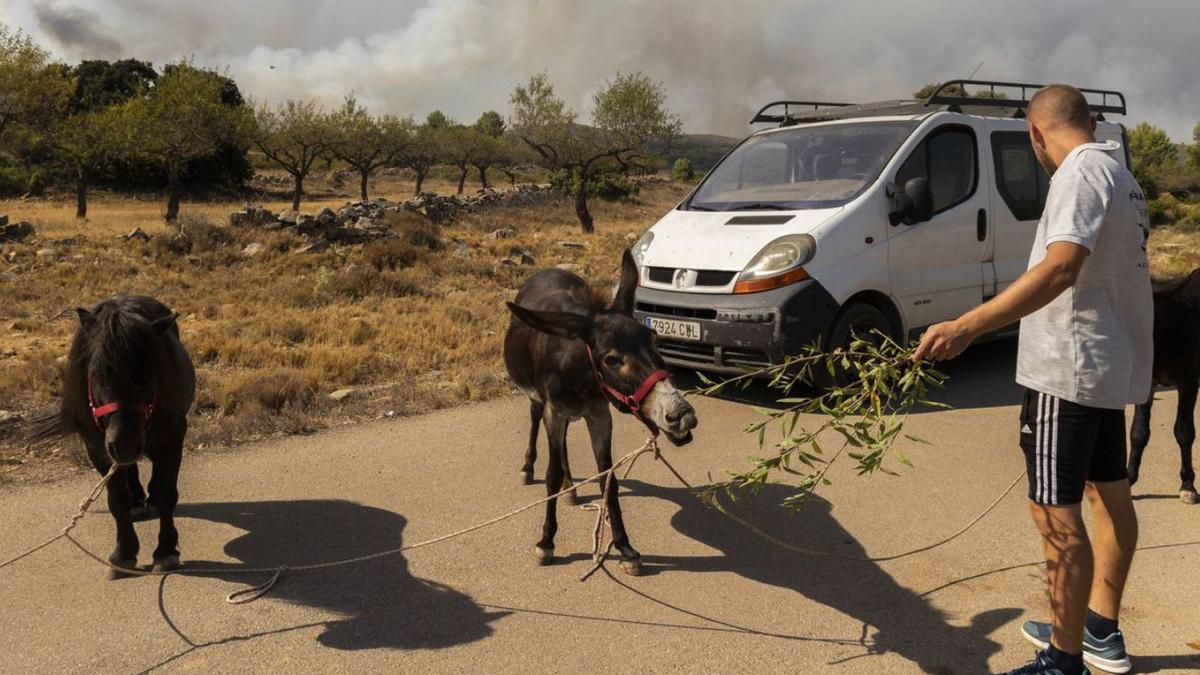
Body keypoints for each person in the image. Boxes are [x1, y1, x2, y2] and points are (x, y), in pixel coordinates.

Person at [913, 84, 1151, 675]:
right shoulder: (1121, 174)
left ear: (1035, 135)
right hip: (1100, 365)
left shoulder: (1076, 175)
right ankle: (1095, 628)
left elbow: (1061, 267)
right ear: (1090, 121)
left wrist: (968, 325)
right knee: (1109, 494)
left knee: (1055, 514)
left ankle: (1062, 660)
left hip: (1064, 371)